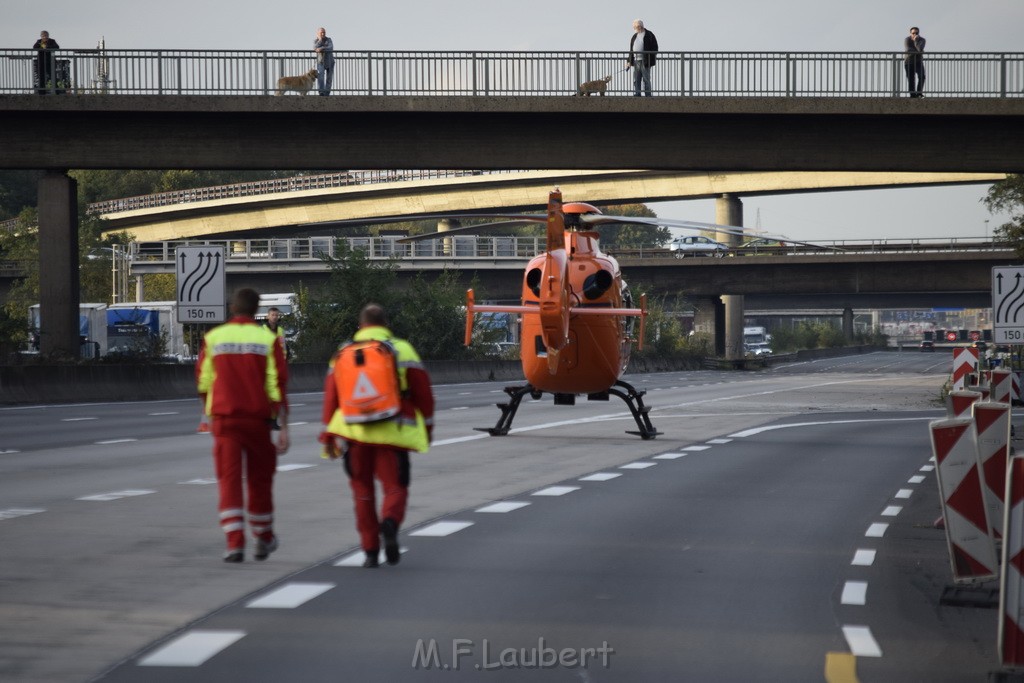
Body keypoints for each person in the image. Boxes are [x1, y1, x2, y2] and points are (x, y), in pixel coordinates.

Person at [319, 303, 435, 568]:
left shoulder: (341, 353)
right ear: (386, 324)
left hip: (354, 434)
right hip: (392, 433)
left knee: (362, 492)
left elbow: (331, 397)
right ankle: (390, 523)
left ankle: (370, 551)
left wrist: (328, 433)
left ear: (360, 326)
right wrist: (426, 430)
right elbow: (424, 395)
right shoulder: (402, 349)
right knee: (395, 487)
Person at [196, 288, 289, 563]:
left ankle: (235, 542)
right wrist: (282, 423)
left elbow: (203, 381)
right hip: (257, 421)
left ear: (232, 308)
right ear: (257, 310)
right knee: (260, 479)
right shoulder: (266, 339)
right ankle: (263, 536)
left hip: (225, 420)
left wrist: (209, 409)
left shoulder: (213, 338)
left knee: (229, 480)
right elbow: (276, 384)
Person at [626, 19, 658, 97]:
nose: (636, 29)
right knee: (636, 79)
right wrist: (629, 61)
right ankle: (637, 93)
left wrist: (650, 56)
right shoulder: (634, 36)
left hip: (646, 60)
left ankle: (648, 94)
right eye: (635, 27)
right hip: (636, 60)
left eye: (636, 27)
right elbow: (631, 50)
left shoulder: (649, 34)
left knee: (646, 78)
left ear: (640, 26)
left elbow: (655, 47)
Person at [32, 30, 60, 95]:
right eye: (43, 36)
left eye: (46, 35)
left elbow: (57, 47)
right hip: (41, 61)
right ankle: (42, 92)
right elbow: (34, 47)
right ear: (41, 36)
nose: (44, 37)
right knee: (41, 76)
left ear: (48, 35)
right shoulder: (39, 41)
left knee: (52, 76)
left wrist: (47, 47)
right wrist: (41, 47)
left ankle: (56, 91)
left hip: (50, 61)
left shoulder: (52, 41)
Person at [904, 27, 926, 98]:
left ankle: (919, 93)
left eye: (916, 33)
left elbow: (920, 49)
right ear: (910, 33)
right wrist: (919, 51)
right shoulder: (907, 39)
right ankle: (912, 95)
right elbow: (908, 50)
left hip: (918, 61)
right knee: (911, 79)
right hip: (909, 61)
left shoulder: (922, 40)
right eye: (913, 33)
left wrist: (916, 41)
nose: (915, 34)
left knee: (922, 76)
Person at [313, 27, 335, 96]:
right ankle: (321, 92)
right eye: (321, 33)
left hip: (330, 61)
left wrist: (321, 48)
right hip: (321, 62)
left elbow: (330, 48)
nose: (323, 34)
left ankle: (327, 92)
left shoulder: (329, 40)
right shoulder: (316, 41)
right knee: (321, 77)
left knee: (329, 78)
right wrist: (320, 40)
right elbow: (315, 48)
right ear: (318, 34)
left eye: (324, 32)